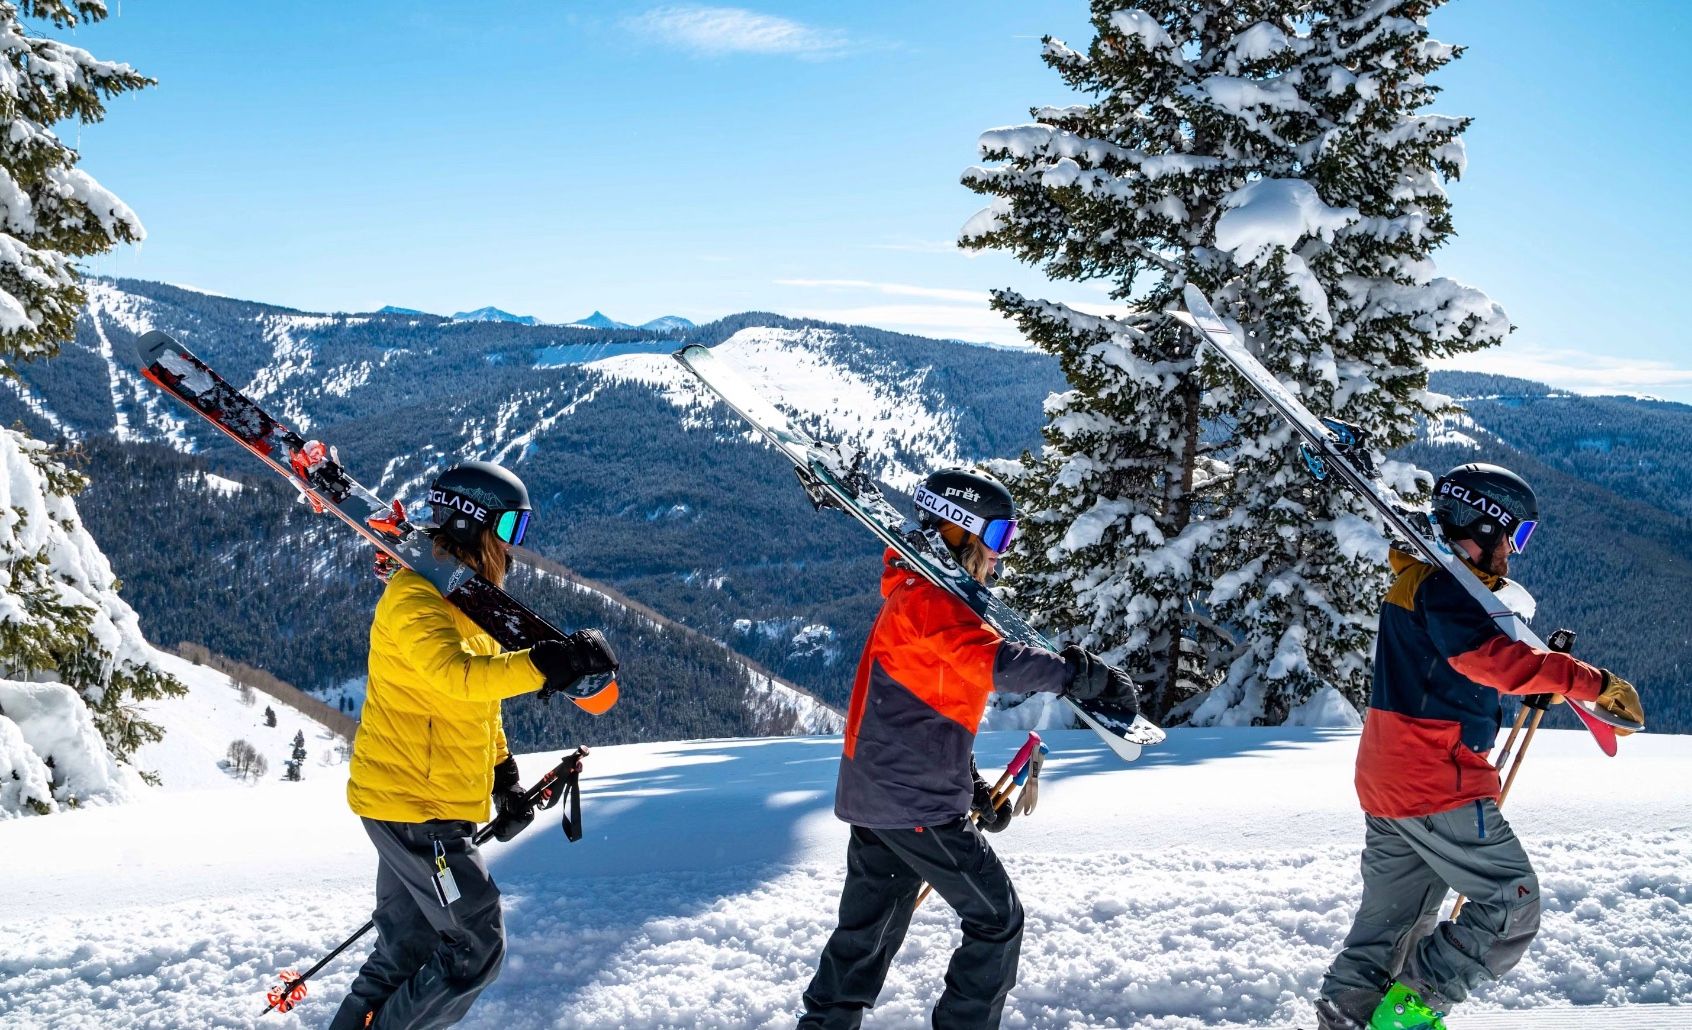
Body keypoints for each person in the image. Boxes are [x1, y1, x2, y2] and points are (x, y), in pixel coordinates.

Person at [798, 467, 1140, 1030]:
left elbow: (925, 712)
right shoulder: (929, 601)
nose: (1000, 557)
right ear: (958, 530)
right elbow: (995, 661)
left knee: (868, 934)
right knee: (997, 920)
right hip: (913, 802)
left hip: (882, 794)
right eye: (998, 536)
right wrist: (1079, 676)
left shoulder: (917, 594)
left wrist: (972, 785)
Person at [1315, 463, 1644, 1030]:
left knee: (1391, 925)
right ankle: (1412, 1011)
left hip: (1389, 778)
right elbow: (1489, 661)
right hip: (1434, 779)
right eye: (1514, 535)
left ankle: (1347, 1015)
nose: (1513, 551)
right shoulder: (1444, 587)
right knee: (1511, 905)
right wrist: (1591, 682)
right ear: (1483, 524)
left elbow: (1447, 671)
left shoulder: (1423, 581)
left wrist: (1538, 681)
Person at [329, 460, 618, 1030]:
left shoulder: (464, 605)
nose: (512, 547)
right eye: (508, 528)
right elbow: (457, 676)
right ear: (471, 523)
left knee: (404, 952)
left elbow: (475, 704)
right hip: (417, 810)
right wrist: (544, 664)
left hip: (417, 803)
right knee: (475, 947)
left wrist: (503, 777)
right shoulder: (413, 598)